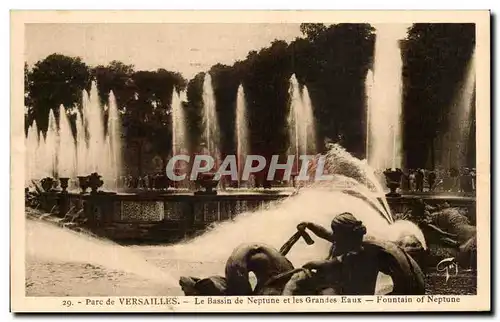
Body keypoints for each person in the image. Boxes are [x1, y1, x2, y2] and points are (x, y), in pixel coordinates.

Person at [295, 213, 425, 295]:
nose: (333, 235)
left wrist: (309, 264)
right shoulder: (342, 241)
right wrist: (309, 225)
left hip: (349, 296)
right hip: (336, 285)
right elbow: (325, 233)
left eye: (336, 232)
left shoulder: (356, 253)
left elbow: (327, 264)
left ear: (346, 235)